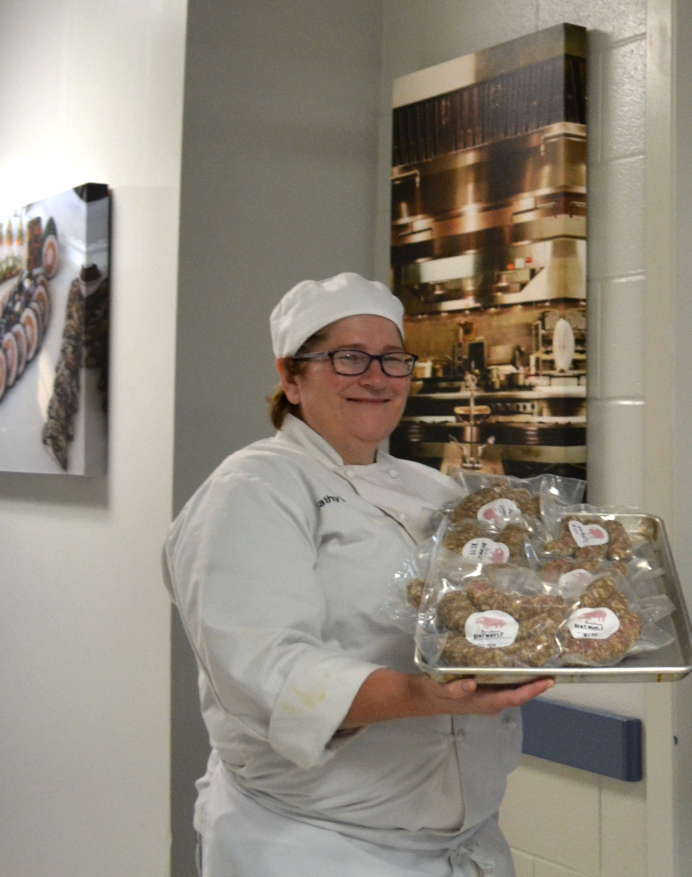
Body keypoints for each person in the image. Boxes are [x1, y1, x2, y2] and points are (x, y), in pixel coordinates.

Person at [165, 273, 553, 877]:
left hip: (462, 844)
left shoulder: (435, 490)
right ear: (291, 377)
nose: (376, 378)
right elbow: (267, 673)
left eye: (393, 359)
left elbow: (476, 611)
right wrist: (424, 697)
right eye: (348, 358)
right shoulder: (253, 490)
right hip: (314, 847)